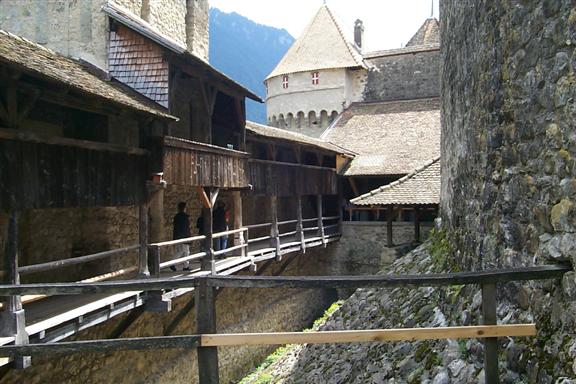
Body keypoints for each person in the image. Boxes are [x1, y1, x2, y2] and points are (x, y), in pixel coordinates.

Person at [172, 202, 191, 271]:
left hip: (178, 236)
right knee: (182, 251)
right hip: (184, 236)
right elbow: (186, 228)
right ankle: (172, 263)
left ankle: (186, 266)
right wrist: (188, 237)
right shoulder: (185, 217)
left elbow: (175, 228)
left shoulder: (176, 217)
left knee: (185, 251)